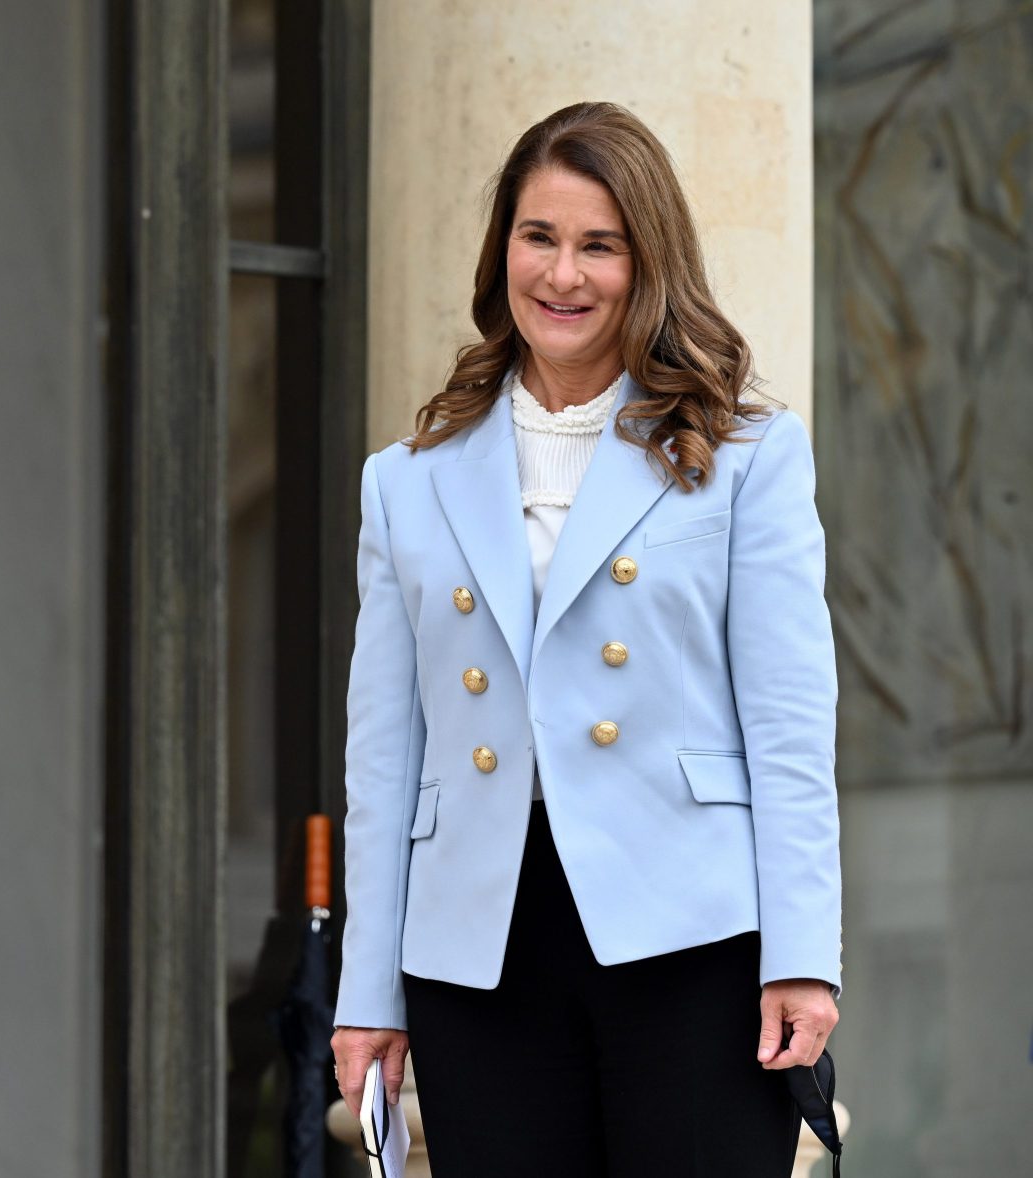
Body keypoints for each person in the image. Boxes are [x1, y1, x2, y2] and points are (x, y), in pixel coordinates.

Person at [329, 101, 841, 1177]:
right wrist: (368, 991)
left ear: (647, 262)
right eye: (539, 237)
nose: (564, 274)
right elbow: (386, 756)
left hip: (694, 937)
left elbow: (790, 722)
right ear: (502, 251)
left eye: (599, 245)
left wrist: (804, 955)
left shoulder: (746, 454)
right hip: (481, 945)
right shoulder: (406, 481)